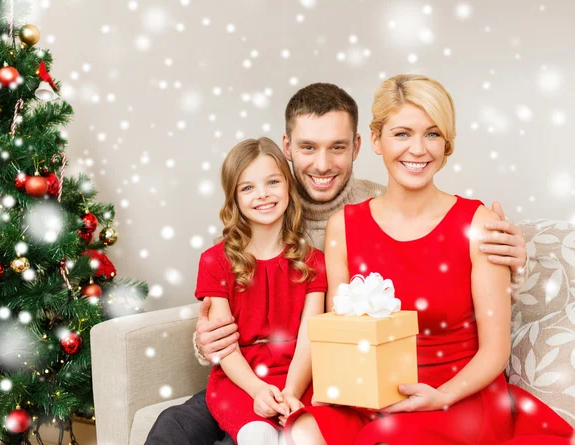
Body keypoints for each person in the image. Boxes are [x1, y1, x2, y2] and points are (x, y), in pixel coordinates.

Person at [145, 83, 528, 445]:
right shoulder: (257, 210)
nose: (323, 164)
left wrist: (516, 259)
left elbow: (436, 259)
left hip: (316, 375)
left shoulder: (381, 209)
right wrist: (206, 341)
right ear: (287, 146)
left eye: (338, 147)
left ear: (360, 146)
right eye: (308, 147)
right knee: (173, 427)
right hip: (251, 378)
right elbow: (223, 310)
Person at [284, 74, 573, 445]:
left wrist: (443, 395)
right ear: (375, 140)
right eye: (402, 134)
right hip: (371, 393)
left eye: (432, 134)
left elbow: (495, 350)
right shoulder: (344, 226)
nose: (418, 149)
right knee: (303, 430)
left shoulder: (479, 224)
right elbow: (342, 333)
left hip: (458, 395)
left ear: (447, 143)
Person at [193, 137, 327, 444]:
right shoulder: (215, 261)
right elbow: (225, 345)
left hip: (300, 377)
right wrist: (256, 389)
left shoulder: (312, 261)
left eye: (272, 182)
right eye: (248, 187)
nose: (263, 195)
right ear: (234, 198)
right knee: (259, 434)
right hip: (240, 382)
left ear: (289, 187)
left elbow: (310, 338)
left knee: (304, 437)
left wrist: (292, 391)